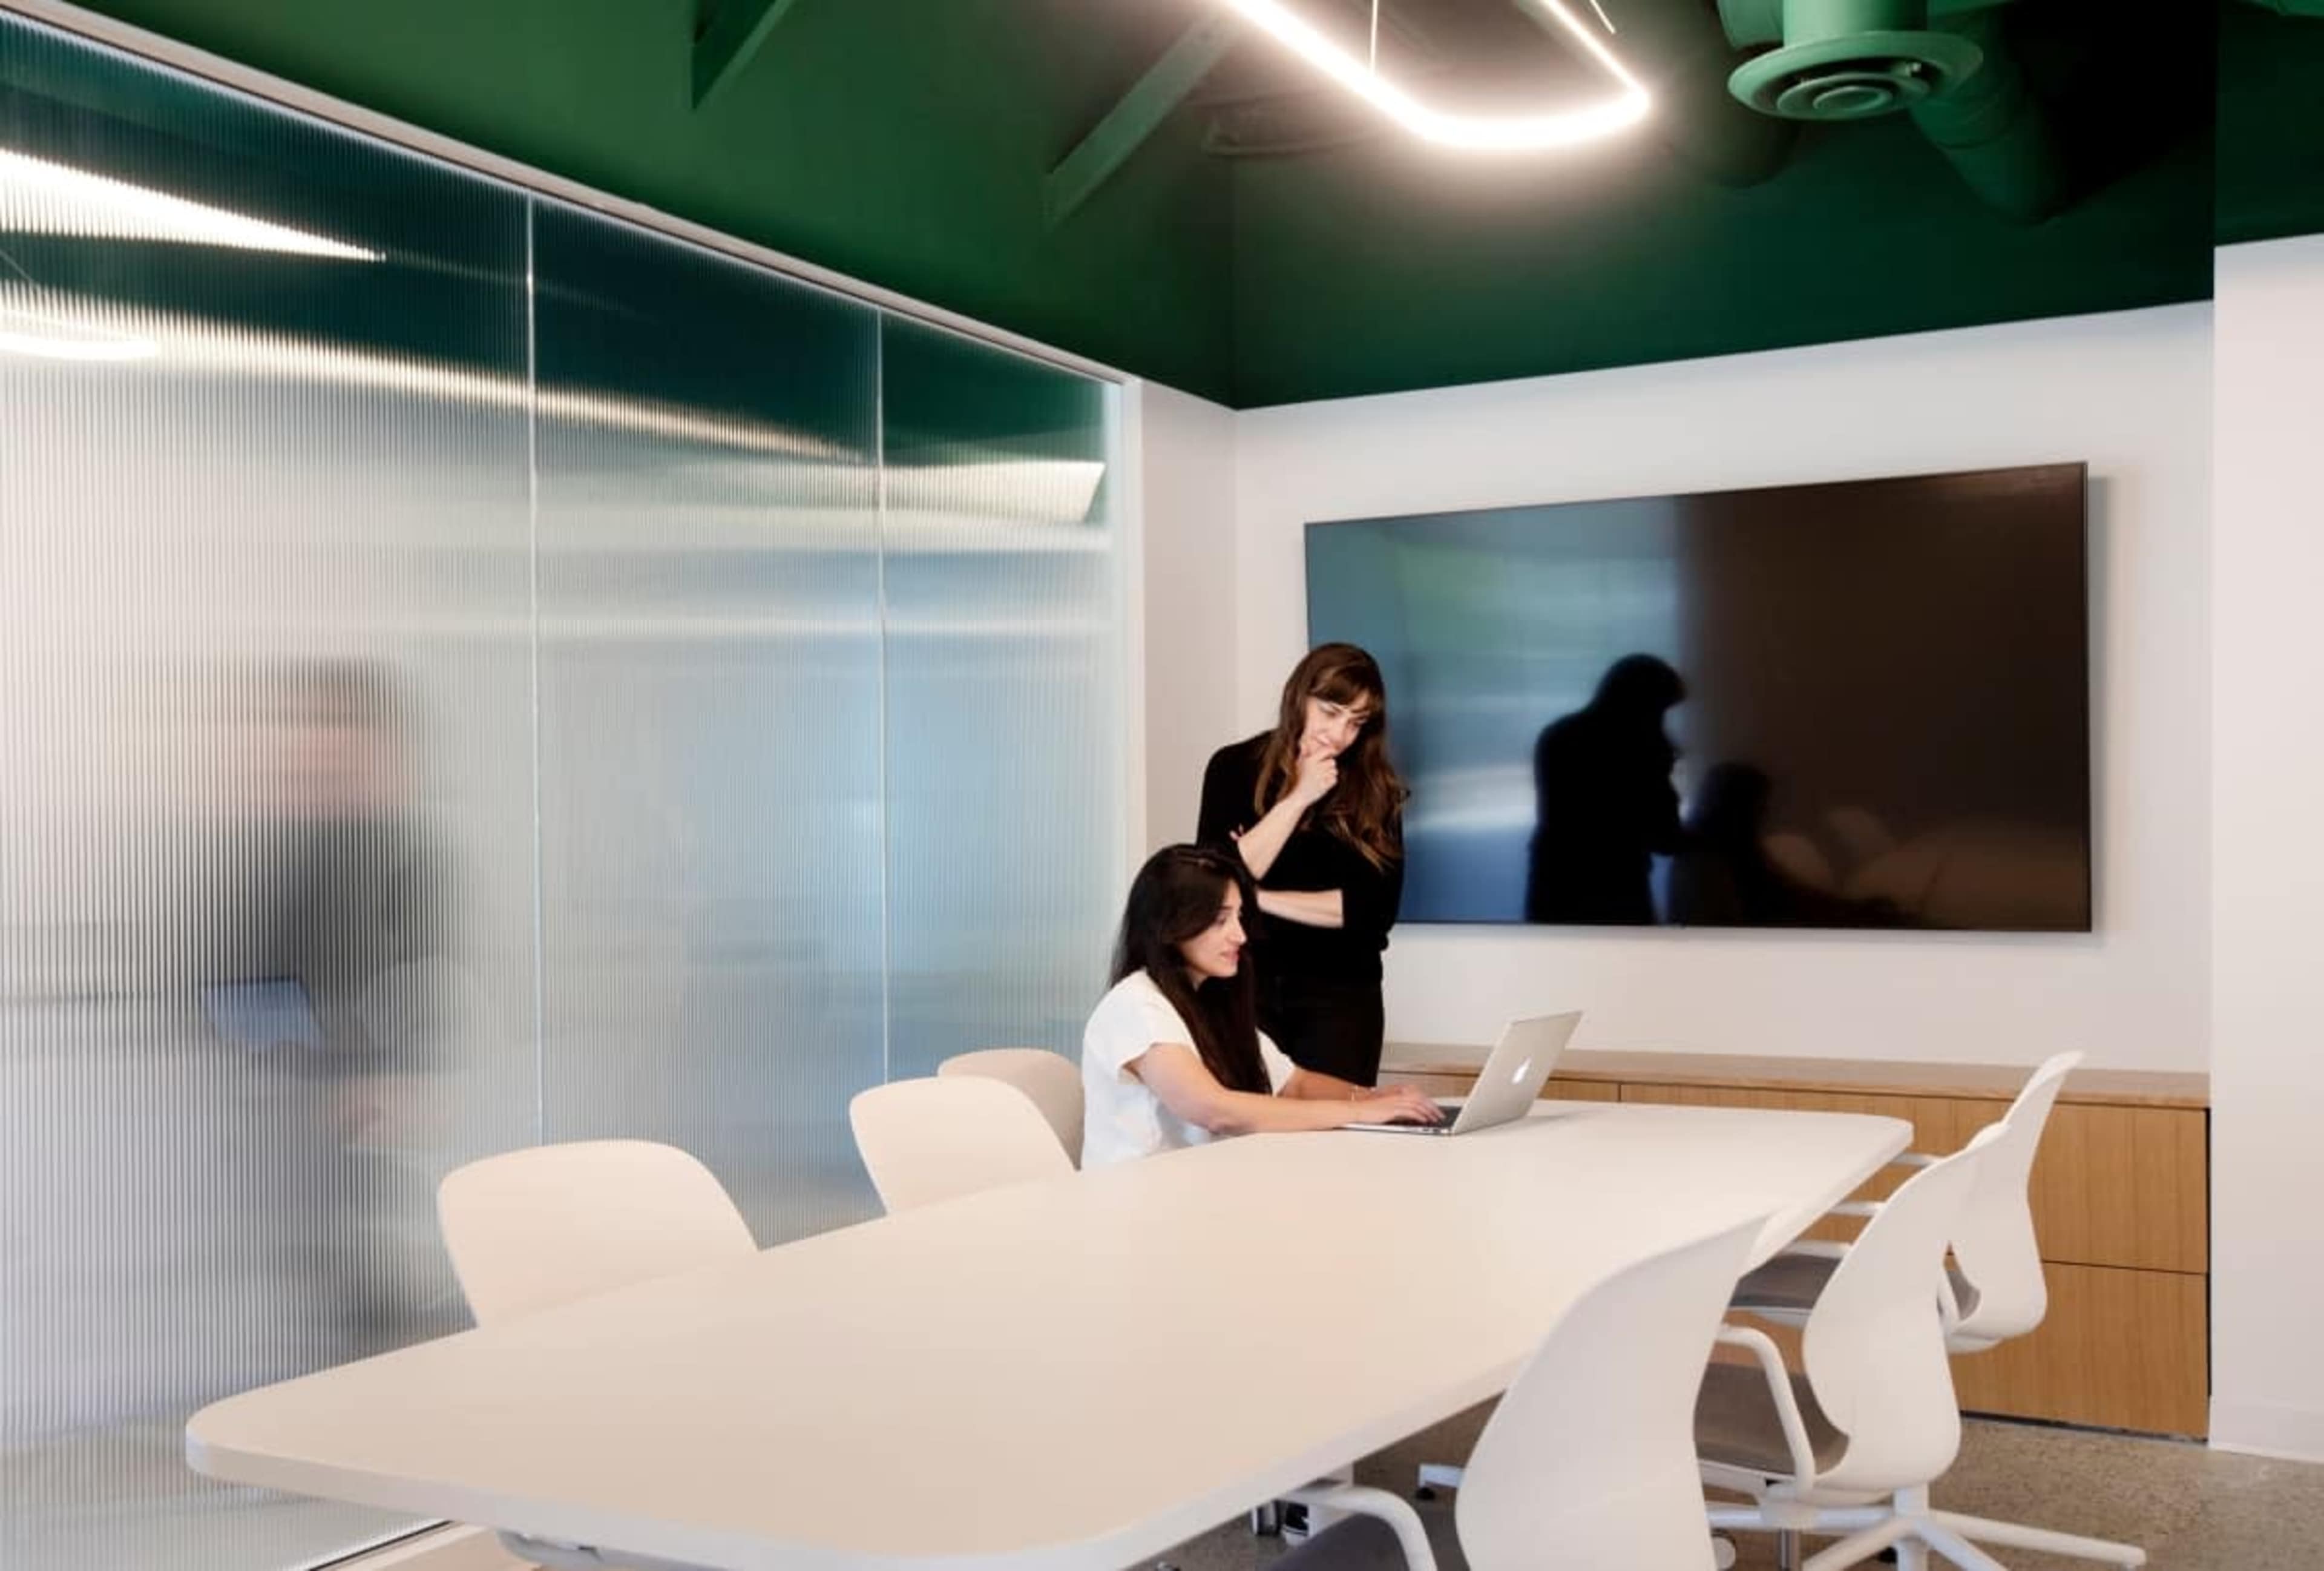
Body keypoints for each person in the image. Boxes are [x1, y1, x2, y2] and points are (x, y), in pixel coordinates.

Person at [1080, 845, 1441, 1167]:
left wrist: (1379, 1099)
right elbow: (1215, 1110)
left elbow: (1294, 1084)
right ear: (1171, 926)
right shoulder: (1136, 1006)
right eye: (1221, 920)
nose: (1240, 934)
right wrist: (1361, 1111)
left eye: (1239, 917)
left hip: (1201, 1196)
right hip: (1140, 1210)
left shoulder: (1208, 1001)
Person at [1197, 644, 1408, 1086]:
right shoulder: (1232, 767)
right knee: (1246, 1136)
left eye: (1356, 722)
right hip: (1246, 989)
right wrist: (1300, 797)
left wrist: (1257, 896)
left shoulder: (1377, 790)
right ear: (1299, 697)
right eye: (1330, 712)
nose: (1340, 735)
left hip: (1343, 998)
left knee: (1336, 1143)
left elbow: (1369, 915)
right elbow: (1212, 885)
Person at [1525, 653, 1686, 926]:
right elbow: (1664, 836)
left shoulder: (1558, 735)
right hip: (1618, 882)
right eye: (1661, 709)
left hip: (1555, 877)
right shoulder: (1639, 749)